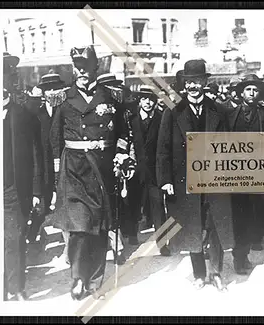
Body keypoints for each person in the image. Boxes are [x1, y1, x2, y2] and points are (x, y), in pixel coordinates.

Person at [50, 45, 135, 300]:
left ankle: (95, 282)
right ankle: (78, 277)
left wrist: (121, 154)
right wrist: (57, 174)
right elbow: (54, 140)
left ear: (95, 67)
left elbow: (123, 133)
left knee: (99, 227)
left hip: (103, 168)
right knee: (78, 226)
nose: (81, 71)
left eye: (85, 66)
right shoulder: (63, 98)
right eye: (77, 67)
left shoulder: (112, 97)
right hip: (74, 169)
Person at [156, 59, 233, 292]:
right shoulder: (173, 112)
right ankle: (199, 273)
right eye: (189, 82)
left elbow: (230, 145)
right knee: (192, 226)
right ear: (184, 84)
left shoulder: (218, 110)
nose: (193, 87)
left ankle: (217, 272)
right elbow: (162, 149)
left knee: (216, 223)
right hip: (184, 180)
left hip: (214, 178)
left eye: (197, 82)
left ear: (204, 82)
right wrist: (165, 180)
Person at [226, 74, 264, 274]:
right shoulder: (229, 115)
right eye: (248, 90)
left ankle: (247, 250)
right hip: (235, 173)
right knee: (239, 216)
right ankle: (239, 256)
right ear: (241, 92)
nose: (252, 93)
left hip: (258, 172)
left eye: (255, 90)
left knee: (255, 213)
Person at [2, 52, 34, 301]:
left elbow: (34, 154)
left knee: (15, 237)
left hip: (11, 188)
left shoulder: (21, 113)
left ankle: (16, 287)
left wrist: (35, 191)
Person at [125, 85, 169, 255]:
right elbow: (127, 142)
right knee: (134, 203)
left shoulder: (161, 118)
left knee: (158, 206)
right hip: (135, 170)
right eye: (144, 99)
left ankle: (163, 243)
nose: (148, 103)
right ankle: (133, 234)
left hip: (155, 170)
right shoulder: (131, 119)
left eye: (151, 99)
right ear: (139, 100)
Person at [26, 74, 67, 254]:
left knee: (65, 203)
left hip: (63, 163)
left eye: (55, 88)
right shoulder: (37, 113)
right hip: (44, 166)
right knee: (42, 206)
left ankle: (69, 244)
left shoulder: (65, 109)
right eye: (48, 89)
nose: (52, 92)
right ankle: (32, 236)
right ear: (43, 92)